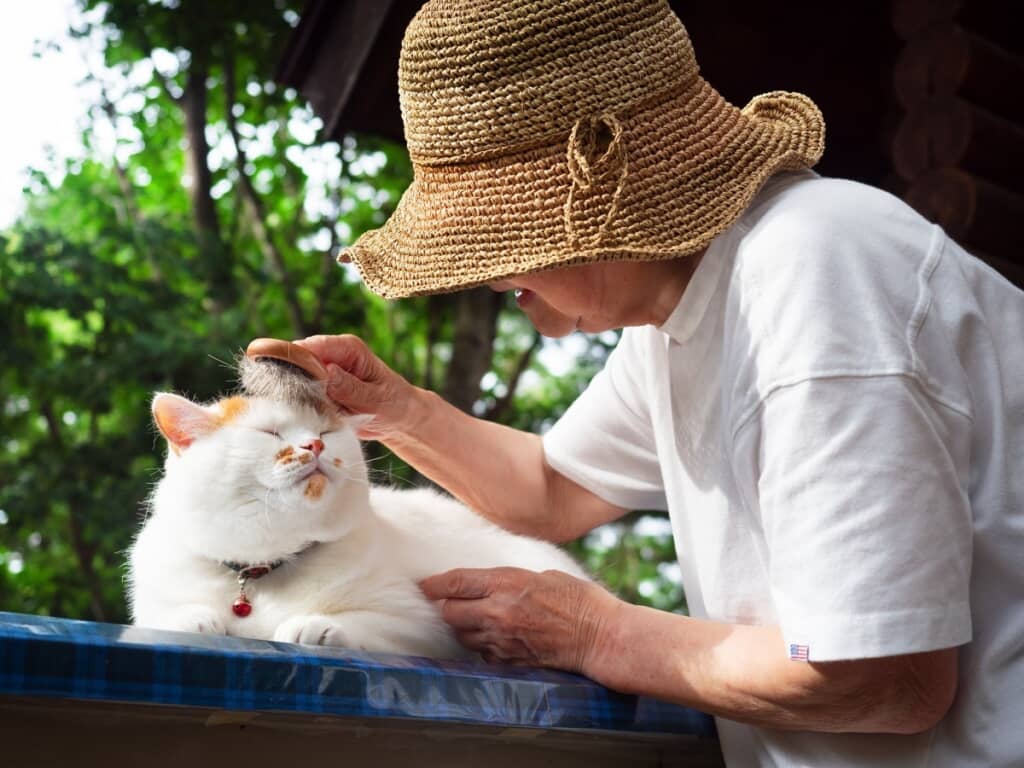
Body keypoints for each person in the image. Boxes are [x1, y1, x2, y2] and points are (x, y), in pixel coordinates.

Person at [298, 1, 1024, 765]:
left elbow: (884, 678)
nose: (485, 276)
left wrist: (595, 633)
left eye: (496, 241)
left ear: (594, 196)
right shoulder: (686, 312)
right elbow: (550, 490)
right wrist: (398, 411)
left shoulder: (815, 276)